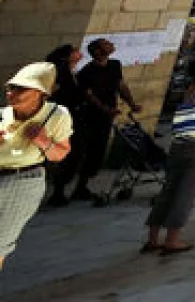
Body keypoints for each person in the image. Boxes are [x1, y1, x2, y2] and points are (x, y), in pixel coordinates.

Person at [144, 50, 195, 255]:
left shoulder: (192, 86)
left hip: (179, 144)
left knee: (168, 190)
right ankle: (172, 240)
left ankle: (153, 239)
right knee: (187, 192)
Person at [0, 63, 73, 270]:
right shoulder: (3, 114)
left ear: (40, 93)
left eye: (20, 89)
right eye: (11, 87)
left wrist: (42, 140)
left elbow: (60, 154)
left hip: (23, 181)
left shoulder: (57, 115)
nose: (11, 93)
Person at [71, 38, 139, 201]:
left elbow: (121, 86)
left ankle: (82, 186)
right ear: (97, 51)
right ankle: (64, 189)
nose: (111, 45)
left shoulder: (115, 65)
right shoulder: (87, 72)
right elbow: (89, 95)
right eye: (106, 44)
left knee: (97, 151)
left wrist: (132, 103)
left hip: (105, 117)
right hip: (88, 116)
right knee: (81, 151)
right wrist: (105, 109)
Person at [43, 44, 82, 207]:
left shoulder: (70, 71)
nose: (78, 53)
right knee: (61, 155)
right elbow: (49, 92)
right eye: (74, 51)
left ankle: (58, 190)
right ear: (67, 56)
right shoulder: (60, 71)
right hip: (60, 119)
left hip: (69, 117)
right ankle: (56, 191)